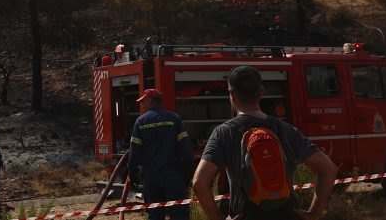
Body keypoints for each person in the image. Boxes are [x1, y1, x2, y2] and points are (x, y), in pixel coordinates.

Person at [193, 66, 338, 220]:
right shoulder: (285, 130)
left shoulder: (223, 133)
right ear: (261, 93)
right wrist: (314, 213)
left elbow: (199, 183)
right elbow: (328, 170)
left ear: (232, 94)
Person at [126, 89, 194, 220]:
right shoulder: (174, 119)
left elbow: (134, 152)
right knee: (180, 214)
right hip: (173, 177)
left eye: (143, 102)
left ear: (149, 101)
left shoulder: (140, 122)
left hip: (151, 178)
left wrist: (132, 173)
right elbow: (186, 150)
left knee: (155, 215)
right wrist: (187, 173)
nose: (143, 105)